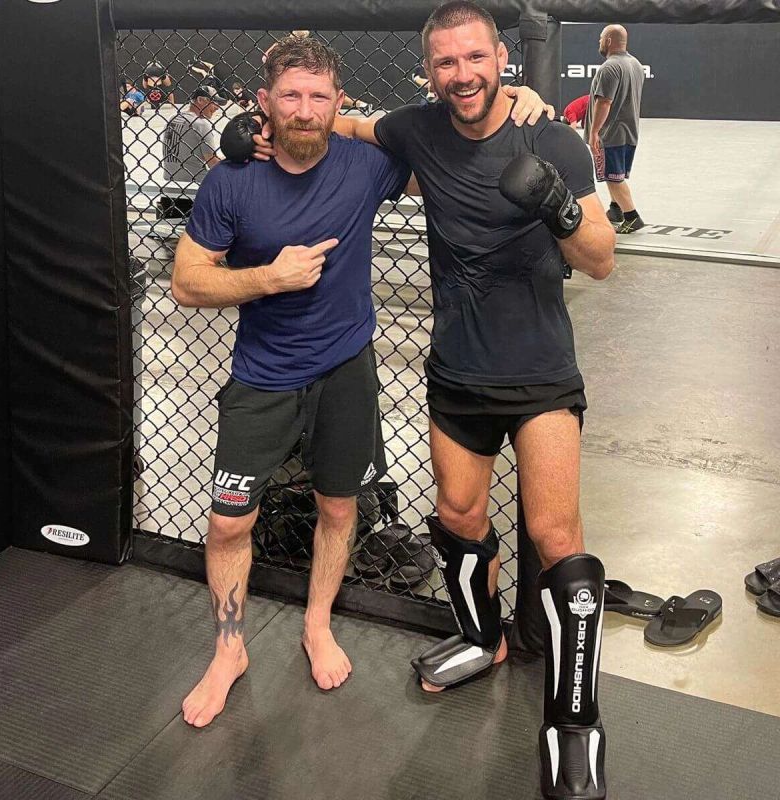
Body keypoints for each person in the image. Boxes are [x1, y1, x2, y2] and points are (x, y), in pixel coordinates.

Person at [298, 3, 615, 798]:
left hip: (540, 371)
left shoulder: (550, 138)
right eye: (445, 62)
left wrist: (557, 203)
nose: (462, 74)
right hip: (457, 372)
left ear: (501, 58)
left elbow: (602, 258)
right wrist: (279, 128)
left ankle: (575, 721)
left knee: (557, 540)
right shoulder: (418, 130)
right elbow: (351, 125)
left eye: (474, 58)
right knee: (459, 517)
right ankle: (484, 637)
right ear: (429, 70)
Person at [169, 36, 414, 728]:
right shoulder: (232, 180)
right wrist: (267, 279)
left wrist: (519, 100)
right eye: (290, 96)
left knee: (338, 508)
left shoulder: (367, 166)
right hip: (263, 376)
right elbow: (185, 282)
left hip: (345, 370)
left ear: (338, 101)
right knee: (228, 521)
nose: (304, 110)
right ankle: (229, 649)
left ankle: (317, 624)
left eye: (318, 96)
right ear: (264, 102)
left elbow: (449, 153)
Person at [585, 24, 645, 233]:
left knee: (613, 178)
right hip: (629, 132)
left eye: (601, 38)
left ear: (609, 41)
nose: (599, 41)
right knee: (616, 174)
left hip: (611, 134)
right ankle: (615, 210)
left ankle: (632, 216)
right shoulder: (636, 64)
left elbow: (604, 102)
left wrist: (594, 132)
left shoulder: (609, 68)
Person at [159, 84, 225, 219]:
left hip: (170, 189)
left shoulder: (172, 118)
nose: (217, 107)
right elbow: (213, 163)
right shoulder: (201, 124)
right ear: (200, 100)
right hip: (195, 190)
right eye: (213, 102)